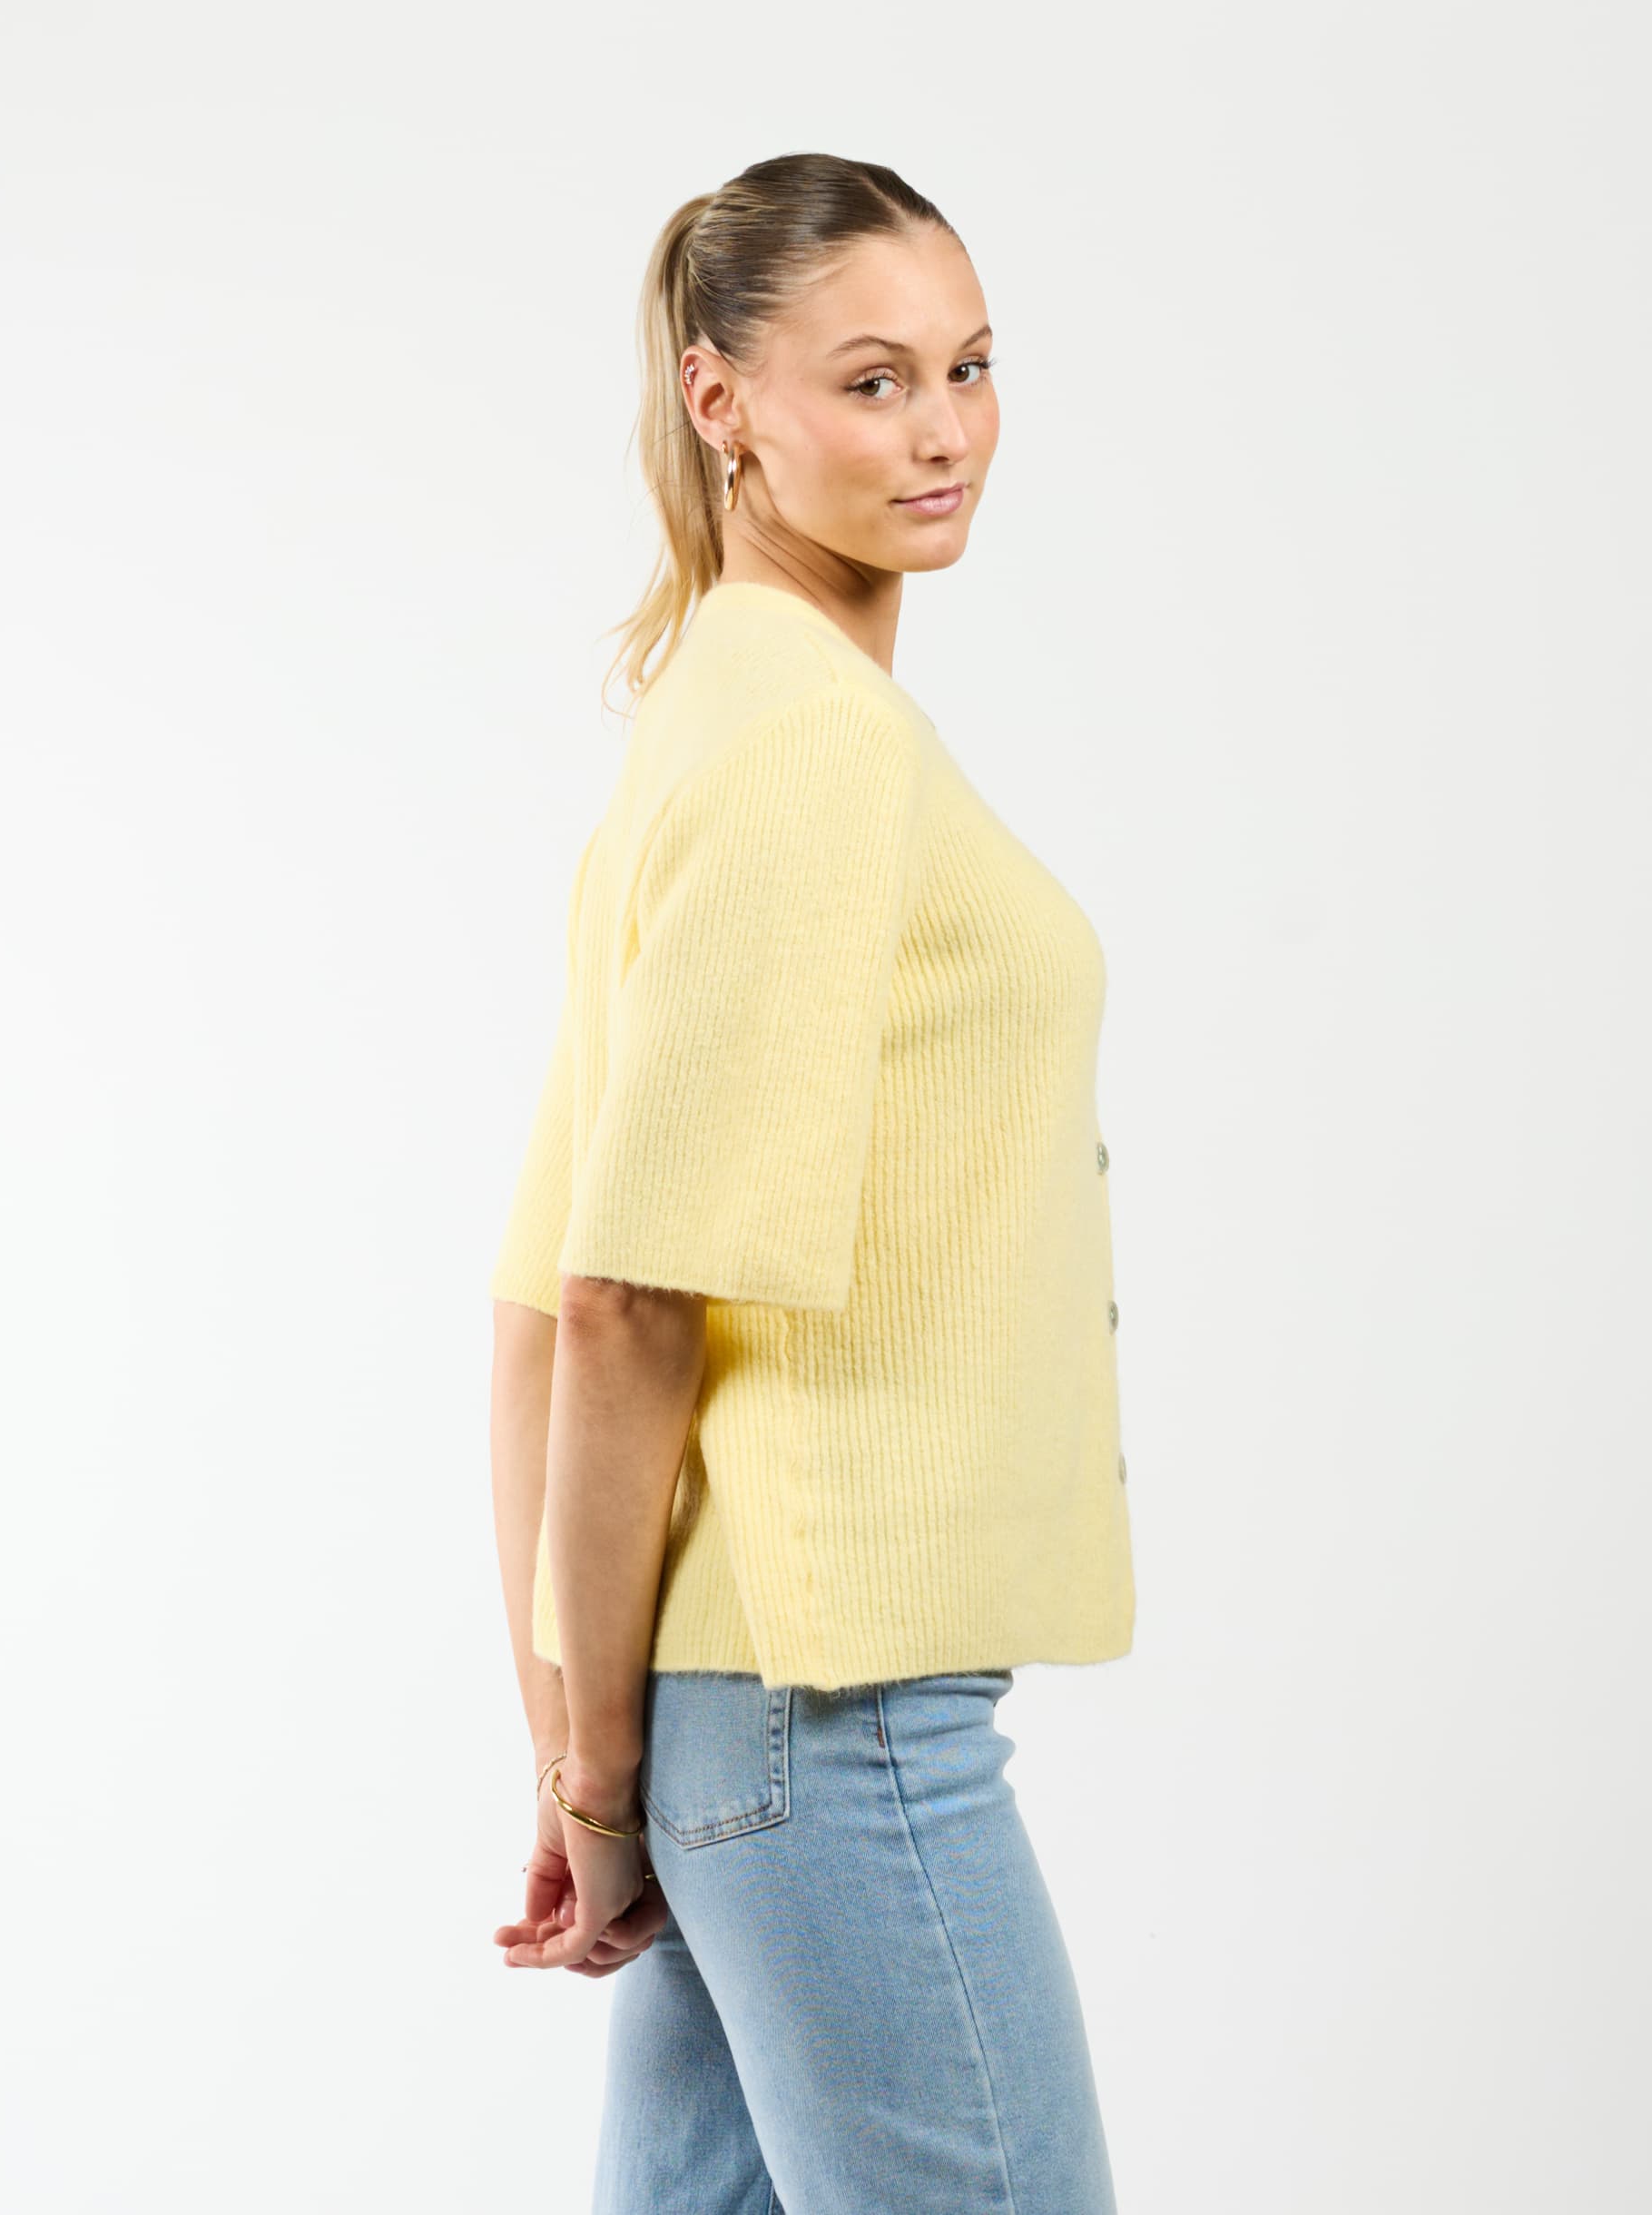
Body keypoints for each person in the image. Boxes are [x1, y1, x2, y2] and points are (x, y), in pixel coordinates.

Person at [487, 150, 1136, 2213]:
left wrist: (587, 1750)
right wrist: (594, 1770)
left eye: (969, 366)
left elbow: (537, 1301)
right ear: (722, 402)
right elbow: (614, 1299)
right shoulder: (808, 744)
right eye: (872, 381)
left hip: (734, 1709)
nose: (943, 430)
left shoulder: (713, 711)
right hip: (830, 1701)